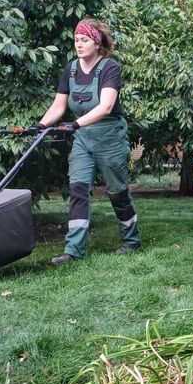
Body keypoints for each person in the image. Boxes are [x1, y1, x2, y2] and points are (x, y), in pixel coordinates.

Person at [29, 18, 142, 265]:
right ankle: (73, 251)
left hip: (110, 136)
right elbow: (59, 106)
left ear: (97, 43)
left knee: (117, 192)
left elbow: (106, 106)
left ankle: (131, 241)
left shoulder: (109, 68)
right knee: (78, 190)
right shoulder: (71, 69)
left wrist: (76, 124)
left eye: (84, 40)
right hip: (83, 139)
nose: (79, 45)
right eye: (76, 40)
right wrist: (40, 125)